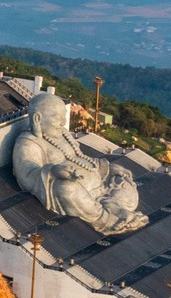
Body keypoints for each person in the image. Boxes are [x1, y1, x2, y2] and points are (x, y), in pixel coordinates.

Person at [12, 92, 147, 232]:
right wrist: (53, 171)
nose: (63, 122)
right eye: (56, 117)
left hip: (99, 185)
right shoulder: (28, 142)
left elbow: (81, 158)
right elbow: (26, 175)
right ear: (37, 118)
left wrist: (108, 168)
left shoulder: (63, 134)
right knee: (66, 189)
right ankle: (106, 219)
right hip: (76, 192)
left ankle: (114, 206)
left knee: (125, 180)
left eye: (63, 116)